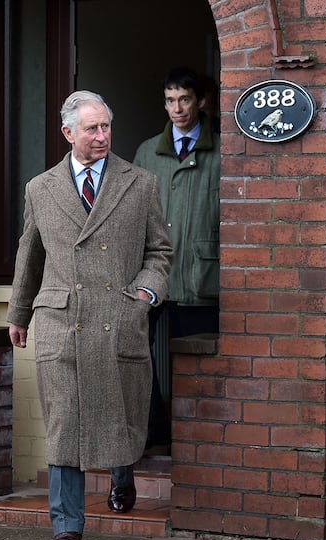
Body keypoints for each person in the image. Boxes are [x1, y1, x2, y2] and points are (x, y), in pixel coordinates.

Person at [7, 90, 172, 540]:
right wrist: (18, 313)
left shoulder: (140, 183)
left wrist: (143, 292)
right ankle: (66, 526)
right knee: (65, 423)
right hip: (62, 320)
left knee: (116, 411)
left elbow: (159, 252)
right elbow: (29, 256)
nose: (101, 137)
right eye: (91, 129)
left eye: (106, 127)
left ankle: (123, 472)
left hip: (117, 315)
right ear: (68, 133)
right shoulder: (41, 188)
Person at [133, 67, 220, 448]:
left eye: (184, 99)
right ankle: (155, 429)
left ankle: (198, 439)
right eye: (170, 100)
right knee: (133, 347)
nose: (177, 108)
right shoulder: (147, 152)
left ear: (200, 101)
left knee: (198, 360)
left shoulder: (224, 150)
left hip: (201, 273)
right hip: (153, 274)